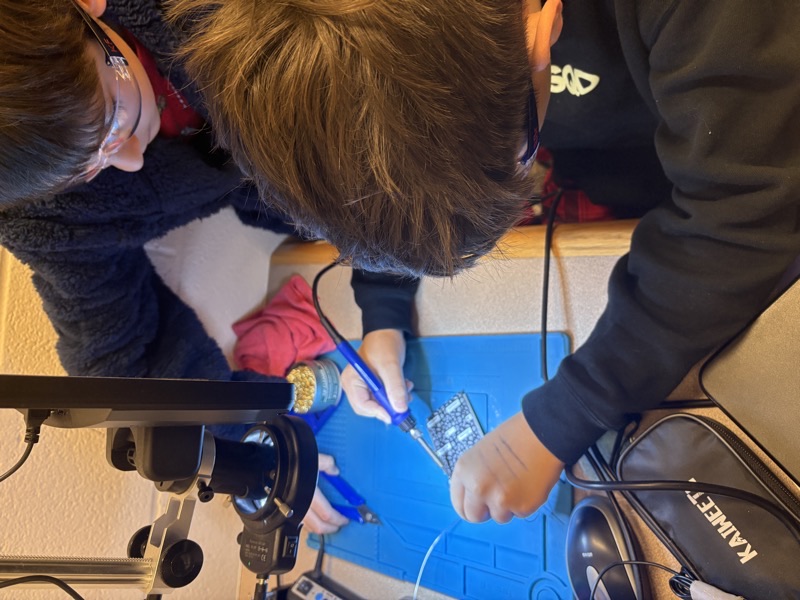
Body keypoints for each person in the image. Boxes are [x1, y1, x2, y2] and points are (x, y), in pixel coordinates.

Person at [166, 0, 800, 525]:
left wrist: (563, 419)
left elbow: (747, 212)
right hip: (636, 178)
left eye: (517, 155)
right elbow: (390, 155)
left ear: (540, 23)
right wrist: (382, 311)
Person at [0, 0, 416, 534]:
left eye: (113, 121)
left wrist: (385, 309)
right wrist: (248, 450)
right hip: (279, 196)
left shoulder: (218, 17)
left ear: (89, 8)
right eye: (91, 165)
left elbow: (375, 142)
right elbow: (118, 366)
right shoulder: (46, 215)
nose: (129, 159)